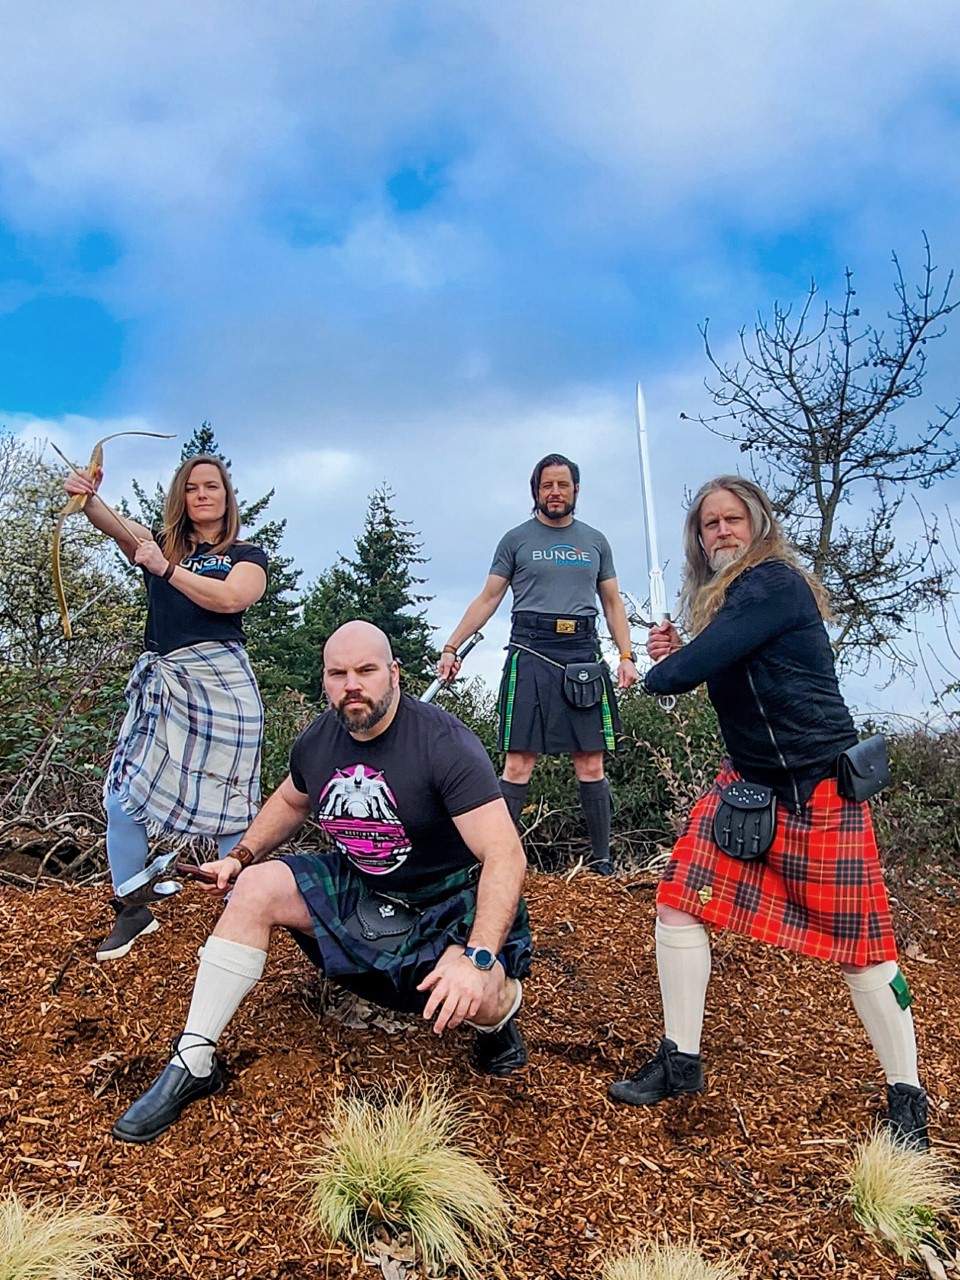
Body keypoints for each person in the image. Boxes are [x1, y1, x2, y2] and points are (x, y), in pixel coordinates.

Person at [111, 620, 532, 1144]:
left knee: (483, 992)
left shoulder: (445, 745)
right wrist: (240, 857)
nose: (352, 684)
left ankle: (497, 1023)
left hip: (446, 901)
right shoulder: (319, 740)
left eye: (366, 670)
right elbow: (292, 799)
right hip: (364, 888)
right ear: (326, 680)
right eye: (338, 673)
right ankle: (194, 1060)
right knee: (258, 887)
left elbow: (505, 856)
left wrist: (478, 957)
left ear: (394, 674)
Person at [607, 476, 930, 1149]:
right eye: (708, 525)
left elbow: (687, 672)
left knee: (865, 956)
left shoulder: (775, 582)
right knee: (678, 902)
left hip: (821, 794)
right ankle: (680, 1060)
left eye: (731, 520)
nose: (720, 531)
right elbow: (718, 660)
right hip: (750, 788)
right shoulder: (726, 603)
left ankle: (908, 1098)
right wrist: (685, 650)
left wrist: (661, 668)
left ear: (757, 525)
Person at [63, 453, 268, 961]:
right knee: (123, 793)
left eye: (212, 487)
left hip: (222, 681)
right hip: (164, 676)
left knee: (232, 808)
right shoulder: (161, 542)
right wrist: (87, 493)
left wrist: (167, 570)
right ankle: (132, 908)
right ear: (182, 496)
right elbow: (113, 523)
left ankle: (241, 918)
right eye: (192, 487)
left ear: (226, 497)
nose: (202, 494)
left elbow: (231, 599)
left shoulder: (246, 554)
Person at [438, 454, 638, 875]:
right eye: (547, 485)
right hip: (530, 650)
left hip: (583, 654)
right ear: (536, 491)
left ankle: (603, 862)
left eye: (563, 485)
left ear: (576, 490)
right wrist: (452, 646)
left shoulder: (596, 541)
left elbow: (613, 603)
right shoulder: (516, 540)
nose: (555, 492)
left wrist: (626, 656)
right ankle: (500, 861)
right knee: (517, 762)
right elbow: (489, 598)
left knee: (591, 762)